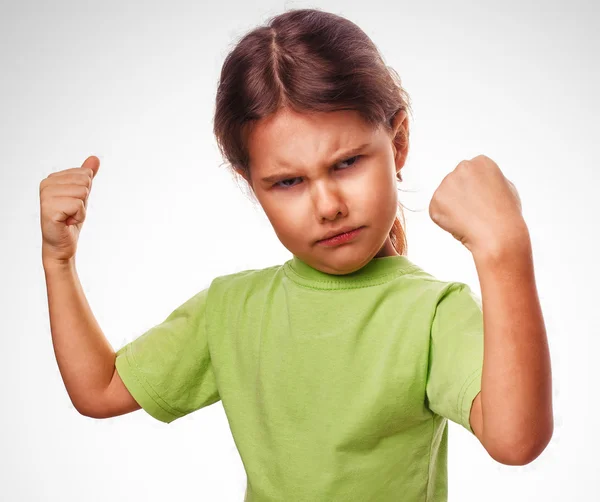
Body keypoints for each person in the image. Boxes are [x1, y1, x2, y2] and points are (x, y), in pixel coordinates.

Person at [40, 7, 553, 502]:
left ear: (397, 142)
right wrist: (58, 262)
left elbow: (514, 441)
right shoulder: (230, 309)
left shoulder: (433, 313)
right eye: (287, 181)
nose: (328, 206)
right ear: (250, 184)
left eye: (347, 162)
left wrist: (504, 251)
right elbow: (101, 389)